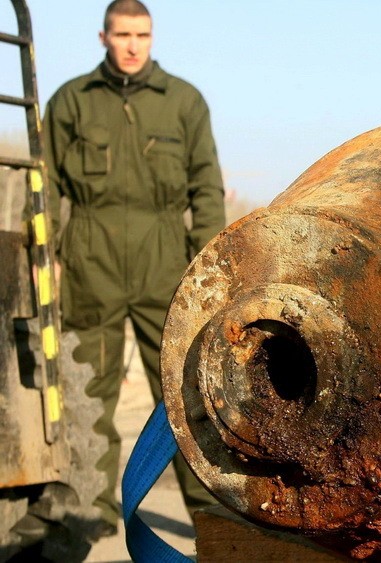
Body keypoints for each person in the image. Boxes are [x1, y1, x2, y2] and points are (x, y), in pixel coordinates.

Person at [42, 0, 225, 536]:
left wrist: (209, 270)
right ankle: (87, 514)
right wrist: (45, 256)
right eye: (122, 35)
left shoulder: (184, 102)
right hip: (88, 265)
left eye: (141, 35)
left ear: (152, 37)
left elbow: (206, 190)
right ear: (103, 37)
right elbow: (44, 187)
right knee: (86, 395)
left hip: (164, 265)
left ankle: (212, 519)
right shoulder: (71, 101)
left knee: (187, 395)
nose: (132, 46)